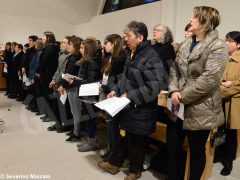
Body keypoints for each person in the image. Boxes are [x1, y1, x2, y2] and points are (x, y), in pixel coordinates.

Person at [98, 21, 167, 180]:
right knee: (123, 137)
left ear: (140, 37)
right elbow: (125, 78)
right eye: (124, 36)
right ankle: (114, 164)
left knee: (138, 142)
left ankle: (135, 171)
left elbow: (154, 88)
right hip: (128, 106)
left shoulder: (151, 57)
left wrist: (130, 95)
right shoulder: (132, 53)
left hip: (142, 109)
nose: (125, 39)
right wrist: (116, 89)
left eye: (128, 36)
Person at [168, 6, 228, 180]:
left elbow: (209, 79)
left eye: (194, 17)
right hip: (177, 104)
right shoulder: (187, 42)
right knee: (172, 148)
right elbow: (174, 69)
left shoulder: (218, 45)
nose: (190, 19)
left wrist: (182, 96)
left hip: (201, 107)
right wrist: (173, 90)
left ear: (204, 22)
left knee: (196, 151)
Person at [215, 31, 240, 176]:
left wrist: (223, 88)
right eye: (226, 40)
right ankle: (219, 154)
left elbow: (237, 85)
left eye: (229, 41)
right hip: (222, 101)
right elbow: (218, 79)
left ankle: (229, 161)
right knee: (220, 130)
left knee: (231, 133)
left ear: (238, 44)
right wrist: (224, 84)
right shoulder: (225, 59)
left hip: (234, 103)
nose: (226, 43)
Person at [99, 34, 126, 161]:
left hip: (114, 94)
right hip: (108, 91)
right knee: (110, 125)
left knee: (114, 126)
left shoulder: (120, 58)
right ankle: (111, 150)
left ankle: (114, 152)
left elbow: (119, 79)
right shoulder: (110, 57)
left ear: (113, 44)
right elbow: (106, 75)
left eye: (106, 43)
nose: (104, 46)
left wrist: (110, 88)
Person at [58, 36, 83, 142]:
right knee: (74, 111)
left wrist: (62, 85)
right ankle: (74, 130)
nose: (69, 46)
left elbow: (69, 73)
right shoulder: (74, 56)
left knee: (75, 111)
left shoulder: (74, 57)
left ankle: (76, 133)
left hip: (73, 86)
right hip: (72, 85)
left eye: (71, 44)